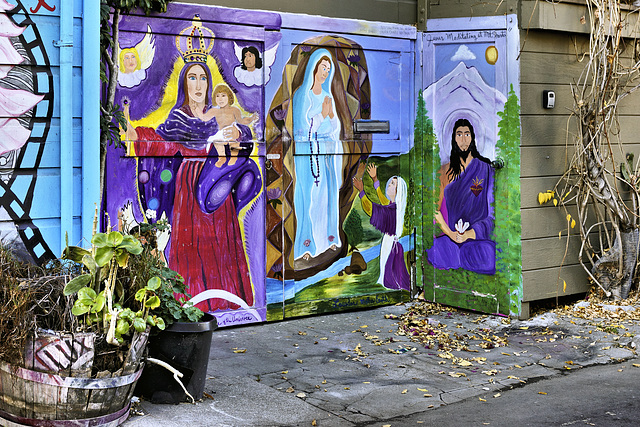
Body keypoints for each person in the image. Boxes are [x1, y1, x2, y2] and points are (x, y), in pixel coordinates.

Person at [124, 59, 261, 312]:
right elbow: (159, 140)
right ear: (184, 84)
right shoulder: (177, 116)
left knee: (222, 242)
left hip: (216, 179)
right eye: (192, 78)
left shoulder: (218, 113)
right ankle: (190, 301)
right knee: (191, 244)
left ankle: (226, 299)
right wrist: (135, 133)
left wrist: (239, 134)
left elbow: (241, 131)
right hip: (188, 186)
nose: (198, 84)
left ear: (209, 84)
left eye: (203, 78)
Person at [426, 118, 496, 275]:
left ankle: (460, 258)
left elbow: (492, 215)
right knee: (435, 250)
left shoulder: (485, 169)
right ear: (453, 139)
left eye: (467, 134)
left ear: (472, 137)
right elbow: (434, 210)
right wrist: (451, 234)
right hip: (452, 238)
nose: (463, 139)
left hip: (477, 239)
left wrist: (469, 235)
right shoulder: (443, 172)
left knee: (490, 255)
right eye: (459, 134)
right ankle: (458, 257)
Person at [292, 49, 342, 261]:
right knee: (309, 198)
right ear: (314, 67)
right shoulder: (303, 95)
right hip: (308, 156)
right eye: (323, 67)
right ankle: (307, 245)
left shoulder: (328, 96)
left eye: (328, 69)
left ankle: (329, 239)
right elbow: (302, 128)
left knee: (328, 197)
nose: (325, 72)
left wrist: (329, 115)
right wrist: (322, 114)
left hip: (325, 156)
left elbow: (335, 127)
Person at [352, 164, 410, 290]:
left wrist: (362, 191)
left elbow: (371, 209)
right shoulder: (395, 206)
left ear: (398, 191)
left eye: (393, 184)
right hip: (390, 241)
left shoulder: (392, 210)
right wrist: (375, 180)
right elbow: (384, 201)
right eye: (390, 183)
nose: (389, 185)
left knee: (389, 271)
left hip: (390, 243)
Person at [203, 84, 258, 167]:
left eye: (223, 96)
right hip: (222, 133)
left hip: (232, 130)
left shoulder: (234, 110)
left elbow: (242, 120)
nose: (220, 99)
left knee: (234, 141)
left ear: (229, 97)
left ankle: (234, 156)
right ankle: (222, 158)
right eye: (217, 96)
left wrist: (251, 119)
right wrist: (196, 110)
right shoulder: (215, 111)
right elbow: (204, 117)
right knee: (217, 142)